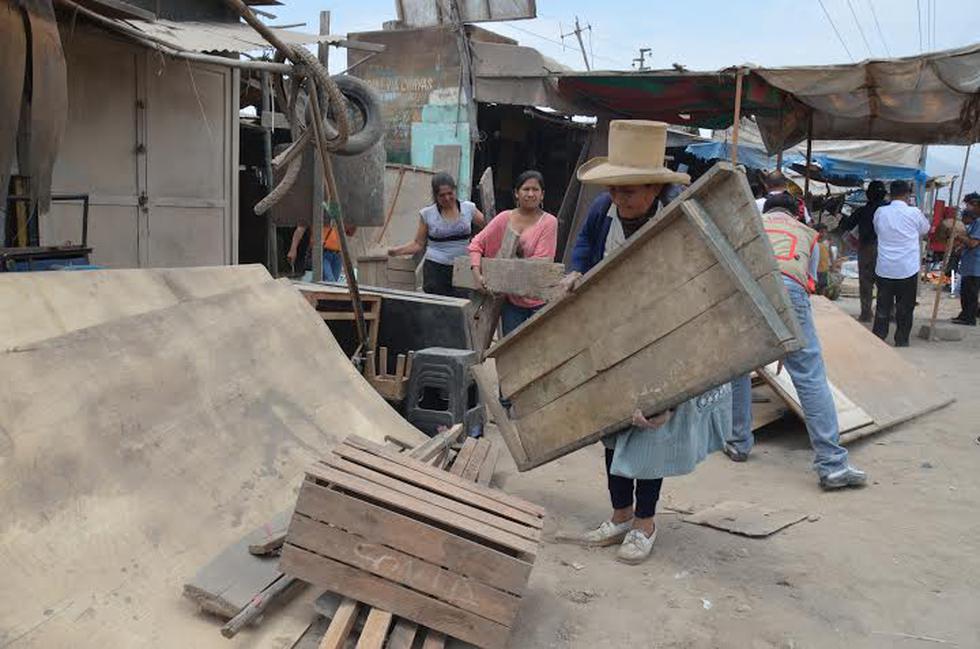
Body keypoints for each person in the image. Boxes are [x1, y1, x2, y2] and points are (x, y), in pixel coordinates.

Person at [559, 120, 730, 565]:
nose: (620, 199)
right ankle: (620, 515)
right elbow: (581, 246)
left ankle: (645, 524)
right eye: (615, 190)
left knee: (650, 433)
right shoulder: (602, 211)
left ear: (656, 188)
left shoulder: (679, 218)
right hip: (609, 337)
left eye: (630, 191)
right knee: (611, 433)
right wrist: (576, 271)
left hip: (662, 339)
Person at [724, 193, 867, 490]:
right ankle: (832, 464)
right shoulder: (807, 234)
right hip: (791, 290)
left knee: (739, 366)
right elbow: (810, 282)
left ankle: (738, 442)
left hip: (747, 292)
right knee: (809, 376)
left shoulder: (750, 225)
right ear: (796, 213)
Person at [467, 170, 558, 335]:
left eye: (535, 190)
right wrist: (476, 272)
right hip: (511, 303)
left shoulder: (549, 223)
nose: (530, 194)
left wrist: (511, 263)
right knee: (509, 349)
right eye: (526, 189)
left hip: (539, 301)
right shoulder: (504, 218)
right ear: (516, 193)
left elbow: (542, 261)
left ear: (542, 195)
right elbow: (476, 244)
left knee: (536, 350)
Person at [388, 172, 485, 297]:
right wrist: (395, 251)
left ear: (455, 190)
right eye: (442, 195)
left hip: (462, 268)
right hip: (435, 270)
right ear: (435, 195)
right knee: (437, 309)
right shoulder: (428, 214)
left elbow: (489, 227)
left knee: (461, 306)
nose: (447, 198)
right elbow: (418, 244)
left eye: (450, 193)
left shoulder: (469, 209)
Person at [872, 180, 930, 347]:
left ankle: (879, 337)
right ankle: (902, 339)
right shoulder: (914, 212)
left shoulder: (881, 212)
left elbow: (878, 230)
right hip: (907, 267)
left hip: (885, 266)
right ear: (907, 194)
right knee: (905, 307)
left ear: (890, 194)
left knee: (883, 306)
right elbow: (925, 229)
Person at [837, 180, 888, 321]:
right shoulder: (889, 209)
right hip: (887, 250)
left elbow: (846, 225)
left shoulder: (863, 211)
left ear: (868, 195)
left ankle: (866, 313)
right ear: (884, 195)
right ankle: (887, 312)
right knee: (885, 282)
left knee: (866, 282)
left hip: (867, 248)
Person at [287, 221, 356, 282]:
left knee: (333, 283)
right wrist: (293, 249)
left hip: (338, 254)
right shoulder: (314, 208)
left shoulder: (341, 211)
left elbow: (350, 233)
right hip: (321, 253)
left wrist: (354, 223)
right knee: (330, 281)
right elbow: (300, 229)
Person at [952, 193, 980, 326]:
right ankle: (965, 315)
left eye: (970, 205)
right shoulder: (975, 222)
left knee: (970, 293)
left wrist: (959, 236)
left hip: (975, 264)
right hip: (969, 263)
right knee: (965, 291)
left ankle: (969, 317)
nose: (968, 208)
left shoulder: (979, 223)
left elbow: (973, 242)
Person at [814, 224, 832, 294]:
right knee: (814, 287)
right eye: (821, 232)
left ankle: (823, 299)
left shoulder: (826, 243)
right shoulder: (813, 243)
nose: (823, 234)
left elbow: (830, 254)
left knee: (823, 286)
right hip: (815, 269)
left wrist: (832, 265)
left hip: (824, 269)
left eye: (824, 232)